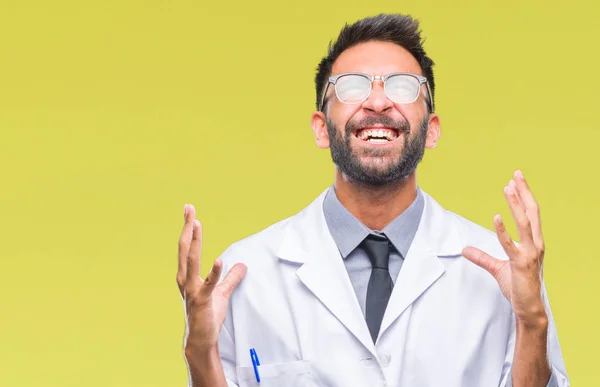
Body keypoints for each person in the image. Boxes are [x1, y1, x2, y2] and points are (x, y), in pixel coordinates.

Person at [176, 13, 569, 387]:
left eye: (401, 86)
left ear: (431, 131)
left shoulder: (505, 274)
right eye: (351, 86)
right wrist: (200, 350)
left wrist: (532, 321)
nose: (378, 102)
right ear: (321, 129)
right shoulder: (246, 278)